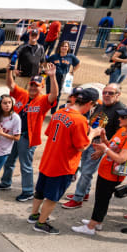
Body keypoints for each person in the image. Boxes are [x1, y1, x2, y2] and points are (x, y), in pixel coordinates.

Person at [28, 88, 100, 234]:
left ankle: (34, 214)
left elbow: (48, 133)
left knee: (40, 191)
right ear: (90, 103)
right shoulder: (79, 120)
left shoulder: (59, 112)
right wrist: (93, 133)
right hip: (63, 165)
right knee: (52, 197)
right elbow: (82, 147)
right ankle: (41, 224)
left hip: (48, 160)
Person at [72, 105, 127, 235]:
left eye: (123, 117)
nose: (119, 118)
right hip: (105, 171)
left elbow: (121, 158)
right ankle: (97, 223)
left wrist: (105, 149)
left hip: (112, 175)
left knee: (101, 201)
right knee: (101, 199)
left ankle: (91, 227)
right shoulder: (122, 130)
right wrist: (104, 140)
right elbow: (113, 148)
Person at [0, 64, 58, 201]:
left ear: (42, 87)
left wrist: (52, 76)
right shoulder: (23, 94)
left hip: (27, 138)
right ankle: (6, 182)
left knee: (25, 165)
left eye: (36, 85)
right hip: (14, 135)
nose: (33, 87)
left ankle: (28, 191)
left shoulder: (43, 100)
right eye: (32, 85)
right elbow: (11, 85)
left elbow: (55, 94)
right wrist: (9, 71)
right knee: (8, 160)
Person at [62, 83, 125, 209]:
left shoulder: (121, 110)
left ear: (118, 94)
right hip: (89, 140)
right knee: (85, 170)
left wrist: (103, 150)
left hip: (99, 145)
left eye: (111, 93)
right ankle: (84, 193)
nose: (107, 95)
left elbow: (119, 136)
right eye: (105, 92)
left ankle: (78, 198)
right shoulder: (101, 105)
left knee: (86, 172)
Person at [46, 41, 80, 114]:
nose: (64, 48)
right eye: (63, 46)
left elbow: (78, 64)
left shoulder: (71, 57)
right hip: (51, 78)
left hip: (62, 79)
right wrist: (47, 69)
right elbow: (45, 63)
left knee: (57, 96)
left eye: (66, 46)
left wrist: (72, 71)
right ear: (60, 47)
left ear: (68, 48)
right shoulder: (54, 56)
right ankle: (45, 109)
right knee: (48, 95)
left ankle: (53, 112)